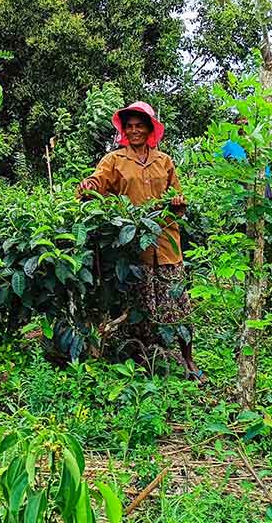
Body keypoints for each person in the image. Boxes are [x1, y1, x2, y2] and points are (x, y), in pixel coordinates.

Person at [76, 101, 203, 381]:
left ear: (149, 129)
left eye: (139, 126)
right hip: (135, 247)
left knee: (178, 303)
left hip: (167, 244)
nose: (134, 131)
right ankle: (144, 360)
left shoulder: (164, 161)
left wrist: (178, 203)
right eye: (129, 126)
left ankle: (188, 359)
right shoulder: (114, 160)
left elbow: (177, 198)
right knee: (141, 307)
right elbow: (97, 182)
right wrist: (87, 186)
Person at [221, 115, 272, 199]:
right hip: (239, 188)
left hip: (262, 186)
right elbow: (214, 162)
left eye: (246, 124)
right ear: (234, 126)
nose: (243, 127)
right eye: (239, 124)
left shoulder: (263, 141)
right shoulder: (228, 145)